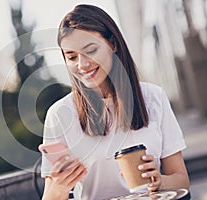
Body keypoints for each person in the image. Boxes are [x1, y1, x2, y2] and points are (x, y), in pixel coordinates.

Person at [40, 4, 189, 200]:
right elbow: (49, 196)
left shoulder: (154, 97)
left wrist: (160, 180)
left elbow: (181, 179)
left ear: (113, 44)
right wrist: (59, 188)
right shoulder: (60, 114)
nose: (82, 65)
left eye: (90, 50)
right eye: (71, 57)